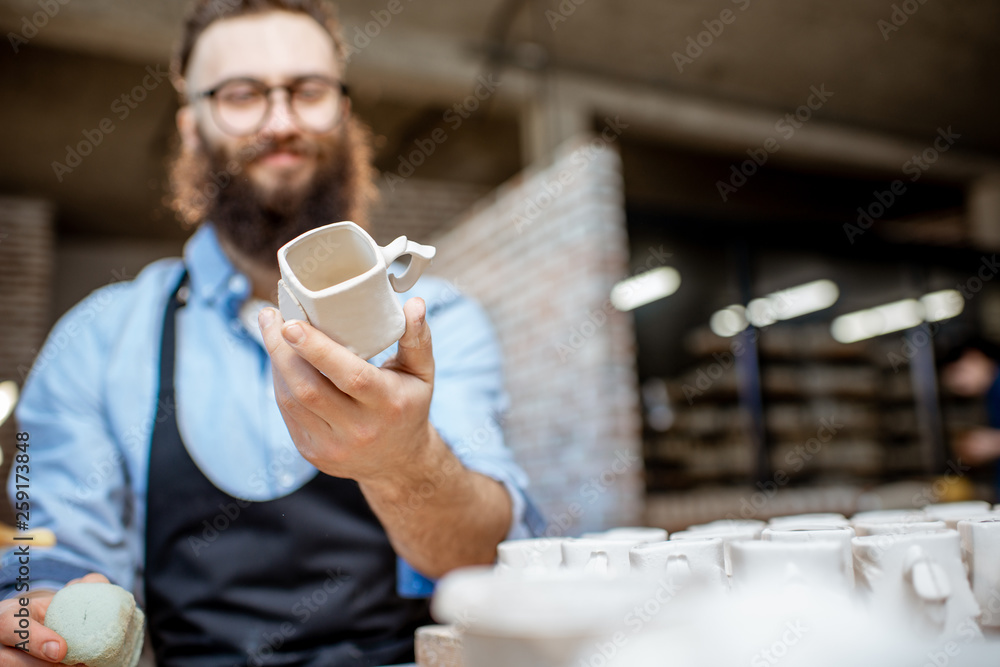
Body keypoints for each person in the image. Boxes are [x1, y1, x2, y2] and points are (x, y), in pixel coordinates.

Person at [0, 1, 537, 664]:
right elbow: (51, 555)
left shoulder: (438, 319)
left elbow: (485, 561)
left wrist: (405, 463)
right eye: (242, 94)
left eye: (308, 91)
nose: (281, 121)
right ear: (192, 126)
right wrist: (38, 617)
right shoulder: (97, 340)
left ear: (343, 114)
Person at [940, 339, 1000, 496]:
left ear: (974, 358)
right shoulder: (990, 394)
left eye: (957, 372)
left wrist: (993, 443)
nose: (955, 383)